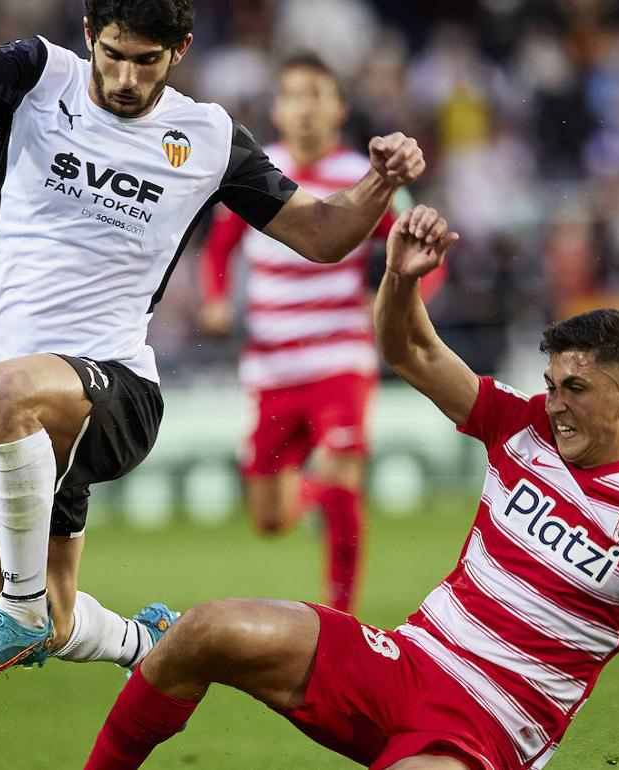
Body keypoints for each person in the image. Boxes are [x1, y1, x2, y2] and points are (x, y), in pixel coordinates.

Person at [0, 0, 429, 689]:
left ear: (180, 49)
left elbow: (324, 233)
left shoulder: (207, 138)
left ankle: (18, 613)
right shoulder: (39, 75)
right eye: (114, 55)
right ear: (90, 35)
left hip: (114, 390)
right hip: (13, 411)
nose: (126, 78)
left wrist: (381, 182)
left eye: (146, 61)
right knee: (56, 617)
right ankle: (147, 640)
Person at [82, 205, 619, 770]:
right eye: (553, 384)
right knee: (203, 630)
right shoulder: (519, 424)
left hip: (485, 730)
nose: (556, 404)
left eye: (576, 389)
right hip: (403, 662)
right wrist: (400, 278)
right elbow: (408, 350)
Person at [199, 52, 441, 614]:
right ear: (277, 110)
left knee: (343, 477)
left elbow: (423, 250)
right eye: (293, 96)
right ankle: (312, 495)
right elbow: (219, 248)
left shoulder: (367, 178)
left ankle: (341, 618)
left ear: (339, 109)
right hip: (271, 366)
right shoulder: (255, 172)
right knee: (268, 519)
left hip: (339, 359)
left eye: (316, 95)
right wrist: (214, 300)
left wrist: (399, 302)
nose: (304, 108)